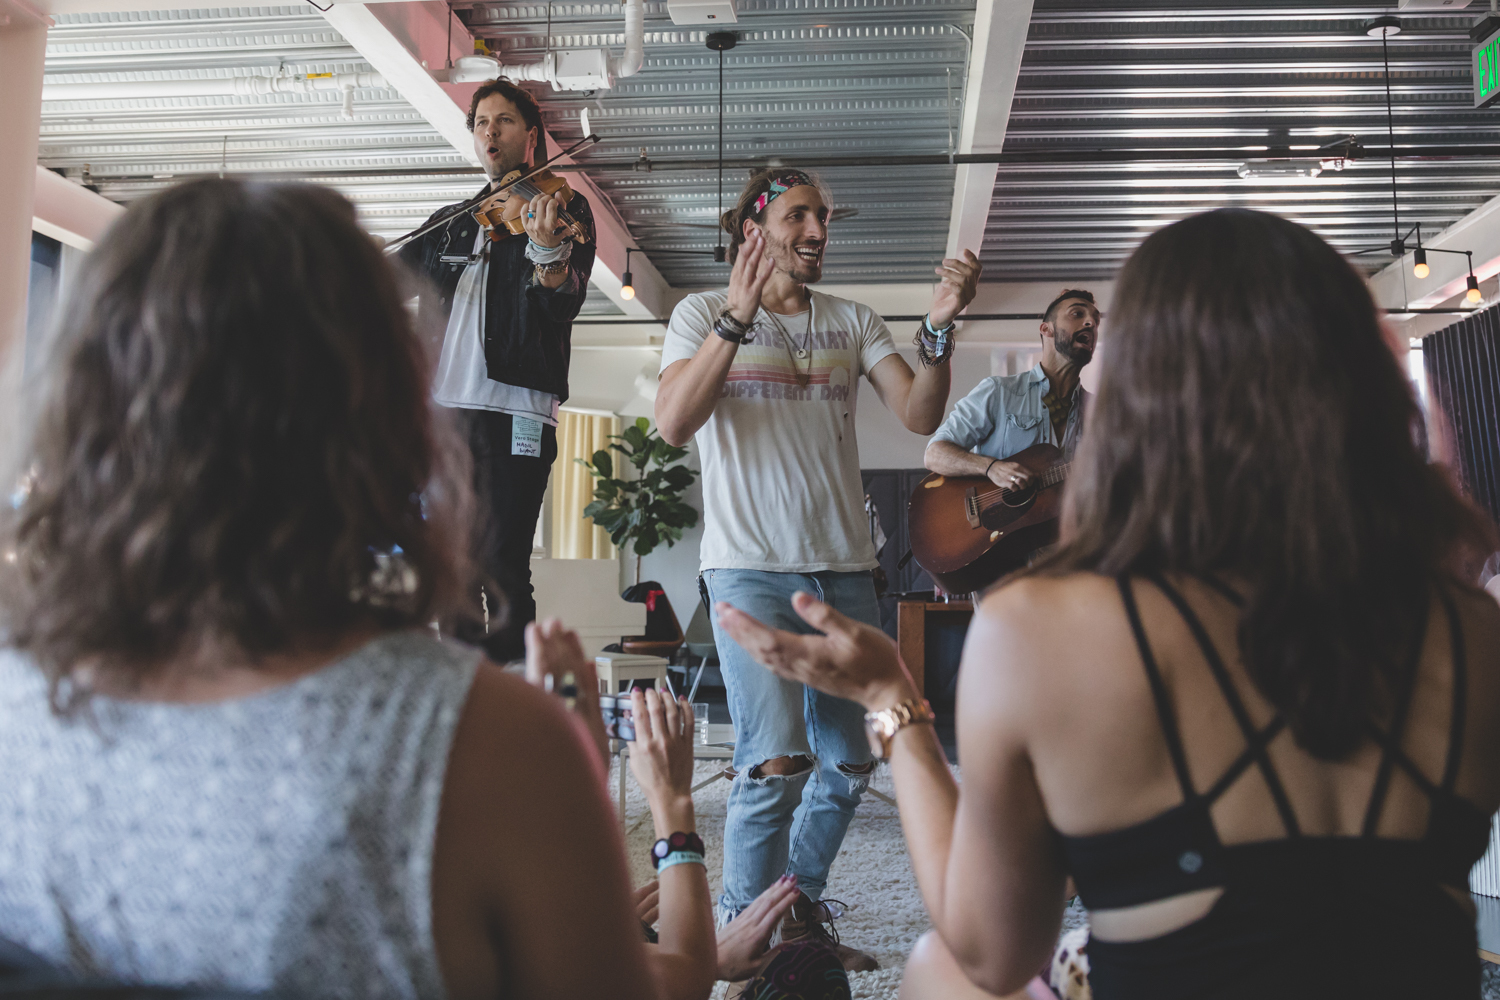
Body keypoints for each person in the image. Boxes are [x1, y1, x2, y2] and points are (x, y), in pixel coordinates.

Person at [715, 208, 1500, 999]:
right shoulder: (1473, 628)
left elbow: (991, 951)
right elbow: (936, 446)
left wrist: (894, 700)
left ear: (1146, 388)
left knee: (936, 969)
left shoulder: (1037, 630)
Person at [0, 179, 652, 1000]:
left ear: (86, 396)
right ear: (388, 403)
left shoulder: (13, 701)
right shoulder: (494, 743)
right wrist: (673, 851)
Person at [654, 167, 982, 976]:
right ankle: (742, 944)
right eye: (800, 215)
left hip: (844, 568)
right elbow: (673, 423)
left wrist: (939, 330)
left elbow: (920, 413)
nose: (818, 230)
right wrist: (736, 317)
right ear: (754, 229)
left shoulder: (851, 319)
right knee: (775, 764)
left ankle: (795, 911)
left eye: (824, 217)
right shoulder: (700, 313)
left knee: (851, 759)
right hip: (749, 569)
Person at [399, 78, 596, 661]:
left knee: (505, 565)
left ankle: (513, 691)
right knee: (451, 567)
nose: (491, 132)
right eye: (482, 123)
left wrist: (548, 253)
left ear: (531, 136)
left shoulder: (562, 206)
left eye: (504, 121)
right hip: (444, 414)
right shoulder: (452, 220)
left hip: (518, 410)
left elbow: (562, 301)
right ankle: (465, 688)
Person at [924, 289, 1098, 493]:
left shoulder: (1102, 413)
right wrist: (991, 468)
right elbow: (934, 454)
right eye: (1077, 314)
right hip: (990, 514)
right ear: (1047, 329)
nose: (1091, 323)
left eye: (1096, 320)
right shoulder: (998, 392)